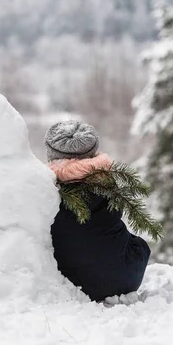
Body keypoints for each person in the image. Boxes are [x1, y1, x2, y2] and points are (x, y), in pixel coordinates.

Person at [45, 120, 151, 302]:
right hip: (128, 277)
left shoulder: (48, 190)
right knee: (134, 243)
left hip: (76, 284)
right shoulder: (107, 182)